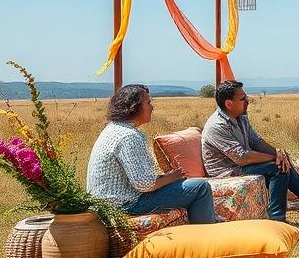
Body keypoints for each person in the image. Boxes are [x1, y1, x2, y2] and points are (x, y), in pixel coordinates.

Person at [201, 80, 299, 223]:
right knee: (277, 167)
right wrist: (275, 156)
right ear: (229, 103)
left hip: (240, 165)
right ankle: (282, 217)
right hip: (227, 171)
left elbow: (256, 141)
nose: (248, 100)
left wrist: (278, 153)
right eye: (243, 98)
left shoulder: (241, 117)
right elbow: (242, 157)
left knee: (281, 162)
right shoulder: (217, 126)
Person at [87, 84, 216, 223]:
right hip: (125, 205)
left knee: (190, 185)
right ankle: (204, 236)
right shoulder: (128, 137)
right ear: (134, 107)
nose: (152, 107)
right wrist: (172, 177)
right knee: (200, 187)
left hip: (111, 203)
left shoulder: (114, 129)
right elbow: (144, 184)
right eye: (148, 102)